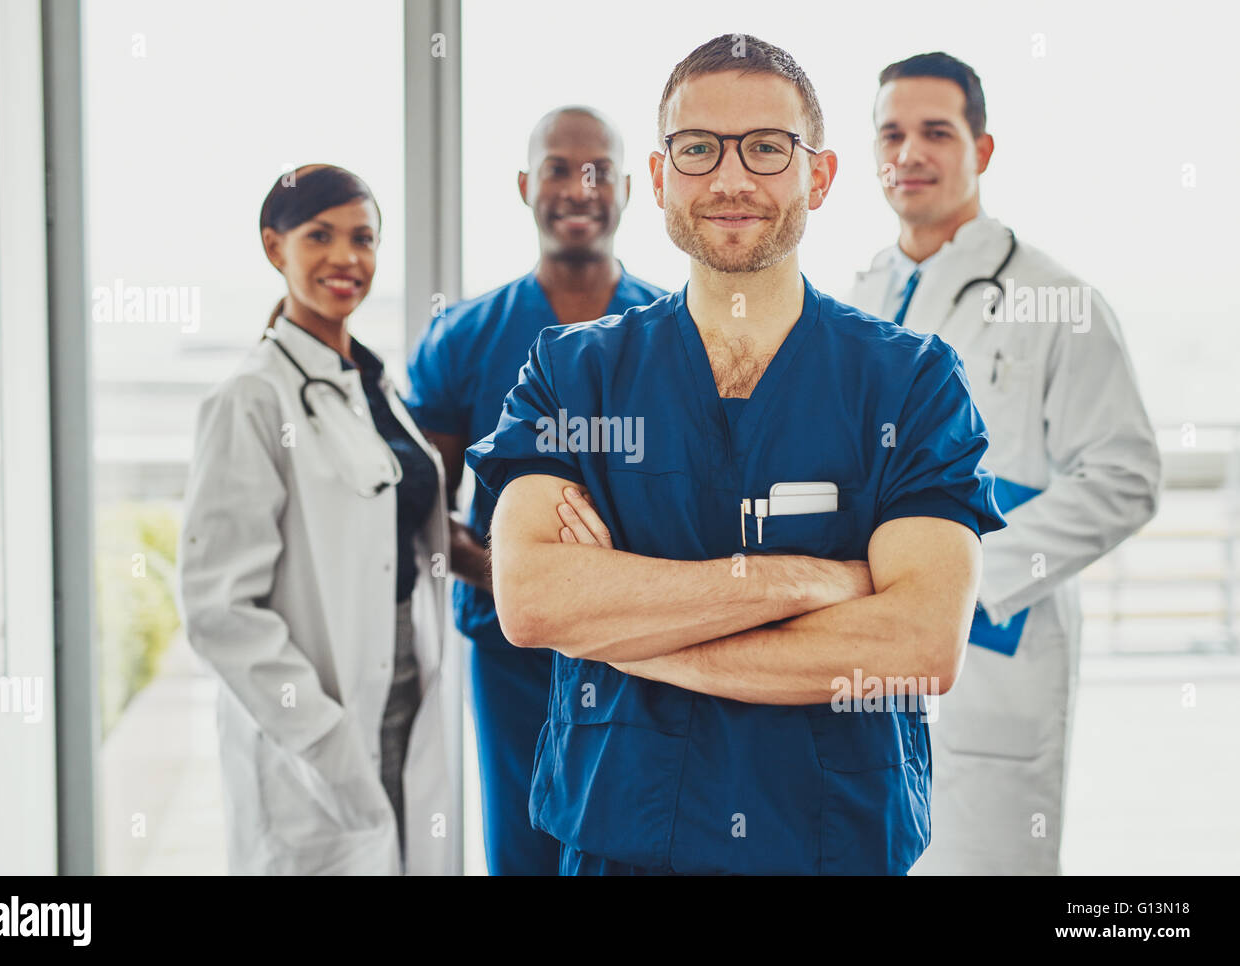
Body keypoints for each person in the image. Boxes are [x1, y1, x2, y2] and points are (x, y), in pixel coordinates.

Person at [465, 35, 1007, 876]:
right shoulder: (573, 375)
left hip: (832, 844)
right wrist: (806, 582)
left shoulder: (910, 383)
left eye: (766, 148)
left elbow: (921, 642)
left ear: (819, 176)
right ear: (658, 176)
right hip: (622, 842)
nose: (730, 179)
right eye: (697, 149)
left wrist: (625, 634)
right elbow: (533, 602)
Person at [846, 53, 1161, 875]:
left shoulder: (1058, 303)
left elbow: (1125, 476)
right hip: (867, 651)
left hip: (995, 652)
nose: (909, 153)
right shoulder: (858, 298)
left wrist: (962, 580)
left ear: (982, 149)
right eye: (891, 134)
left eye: (936, 132)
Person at [405, 107, 666, 875]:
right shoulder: (464, 338)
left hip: (644, 647)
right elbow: (428, 509)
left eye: (598, 171)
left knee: (639, 841)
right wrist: (522, 581)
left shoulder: (674, 334)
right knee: (523, 847)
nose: (578, 188)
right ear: (525, 185)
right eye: (557, 168)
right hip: (511, 650)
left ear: (628, 188)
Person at [178, 164, 459, 875]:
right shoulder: (251, 399)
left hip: (407, 687)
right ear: (275, 247)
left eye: (363, 239)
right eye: (320, 236)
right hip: (318, 720)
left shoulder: (369, 385)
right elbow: (217, 609)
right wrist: (321, 732)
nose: (346, 258)